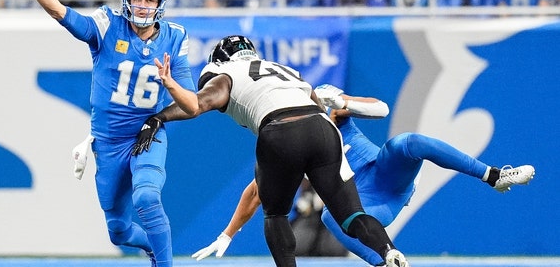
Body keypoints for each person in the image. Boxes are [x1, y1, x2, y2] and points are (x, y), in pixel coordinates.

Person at [131, 35, 410, 267]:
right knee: (352, 216)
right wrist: (228, 234)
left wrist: (159, 117)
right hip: (322, 128)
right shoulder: (286, 71)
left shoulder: (224, 73)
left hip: (279, 129)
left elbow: (198, 103)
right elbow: (314, 107)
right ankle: (388, 251)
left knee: (275, 215)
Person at [5, 0, 199, 267]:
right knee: (119, 231)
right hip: (107, 141)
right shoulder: (108, 25)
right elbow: (60, 12)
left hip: (146, 135)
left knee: (147, 196)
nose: (141, 5)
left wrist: (169, 83)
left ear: (160, 4)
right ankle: (152, 248)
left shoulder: (174, 37)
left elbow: (192, 105)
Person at [190, 83, 535, 267]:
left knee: (407, 142)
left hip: (382, 175)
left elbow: (380, 108)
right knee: (330, 216)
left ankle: (491, 175)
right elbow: (258, 189)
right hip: (360, 201)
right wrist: (228, 233)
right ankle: (386, 261)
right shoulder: (288, 131)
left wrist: (343, 101)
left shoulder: (317, 102)